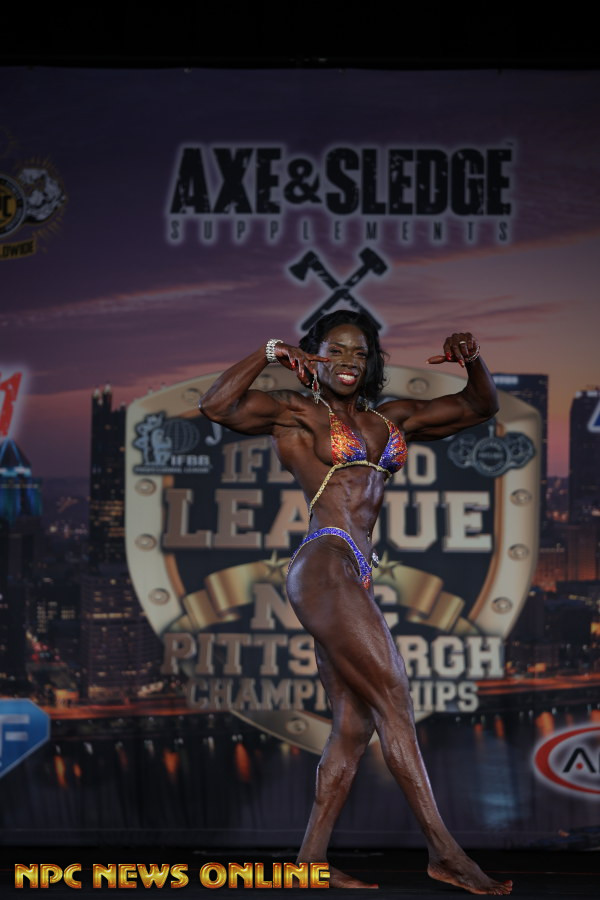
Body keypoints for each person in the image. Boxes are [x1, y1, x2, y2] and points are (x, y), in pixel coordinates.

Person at [200, 310, 512, 896]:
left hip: (356, 570)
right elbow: (217, 406)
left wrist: (472, 359)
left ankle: (309, 861)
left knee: (353, 727)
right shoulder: (295, 412)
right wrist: (268, 353)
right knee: (395, 697)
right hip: (324, 561)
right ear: (314, 355)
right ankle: (446, 853)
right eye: (336, 350)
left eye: (360, 353)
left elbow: (479, 406)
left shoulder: (391, 419)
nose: (349, 361)